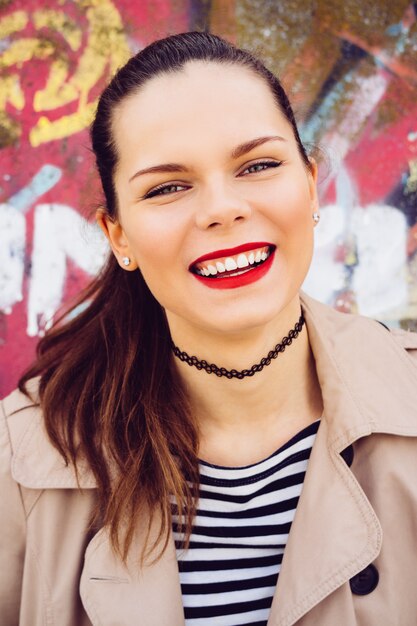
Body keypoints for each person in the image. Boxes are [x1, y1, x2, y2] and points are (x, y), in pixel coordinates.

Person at [1, 31, 417, 626]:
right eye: (168, 186)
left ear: (308, 182)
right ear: (119, 236)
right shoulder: (23, 457)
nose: (221, 209)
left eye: (258, 165)